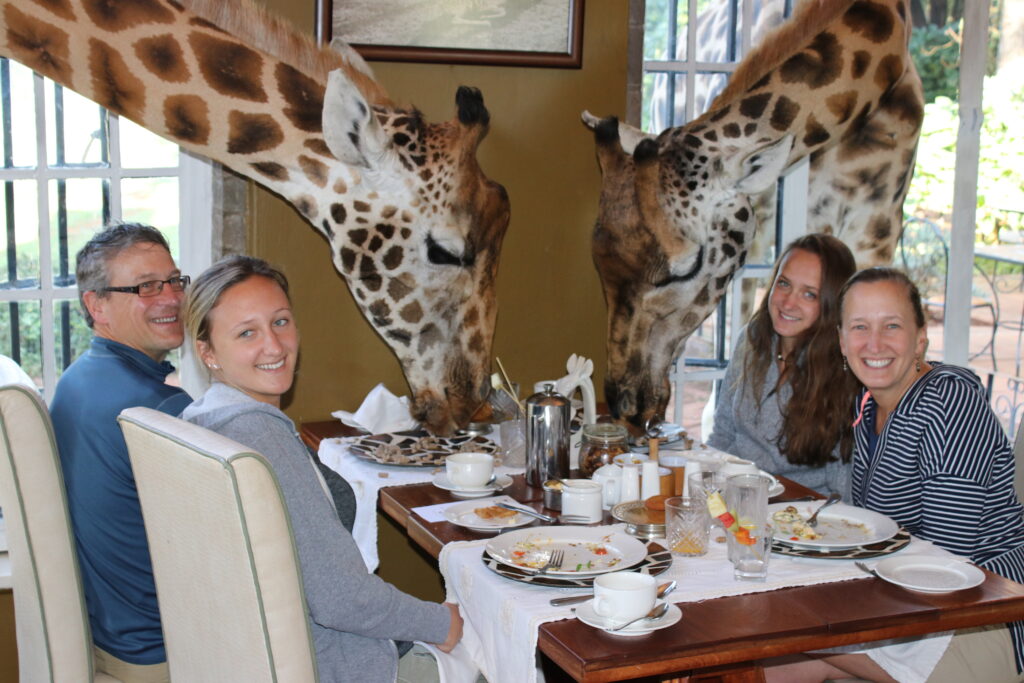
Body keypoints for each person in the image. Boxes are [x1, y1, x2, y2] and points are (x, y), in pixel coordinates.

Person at [180, 255, 462, 682]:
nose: (274, 346)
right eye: (246, 333)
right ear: (208, 352)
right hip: (334, 663)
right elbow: (343, 599)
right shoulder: (259, 436)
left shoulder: (204, 417)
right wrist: (444, 623)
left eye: (280, 322)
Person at [766, 267, 1024, 682]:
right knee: (769, 654)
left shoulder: (948, 400)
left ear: (920, 337)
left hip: (986, 614)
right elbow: (878, 533)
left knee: (778, 631)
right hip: (911, 604)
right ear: (842, 341)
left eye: (892, 326)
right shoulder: (867, 407)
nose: (874, 343)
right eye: (860, 327)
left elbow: (946, 556)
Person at [50, 223, 192, 682]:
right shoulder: (161, 411)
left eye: (174, 281)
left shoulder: (76, 381)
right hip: (165, 654)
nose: (170, 298)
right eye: (145, 287)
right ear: (97, 306)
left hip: (104, 636)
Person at [708, 234, 859, 496]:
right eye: (784, 283)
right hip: (733, 499)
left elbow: (843, 488)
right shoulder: (752, 338)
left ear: (832, 305)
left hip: (801, 515)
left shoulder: (845, 371)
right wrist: (703, 489)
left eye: (809, 294)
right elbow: (722, 435)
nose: (788, 302)